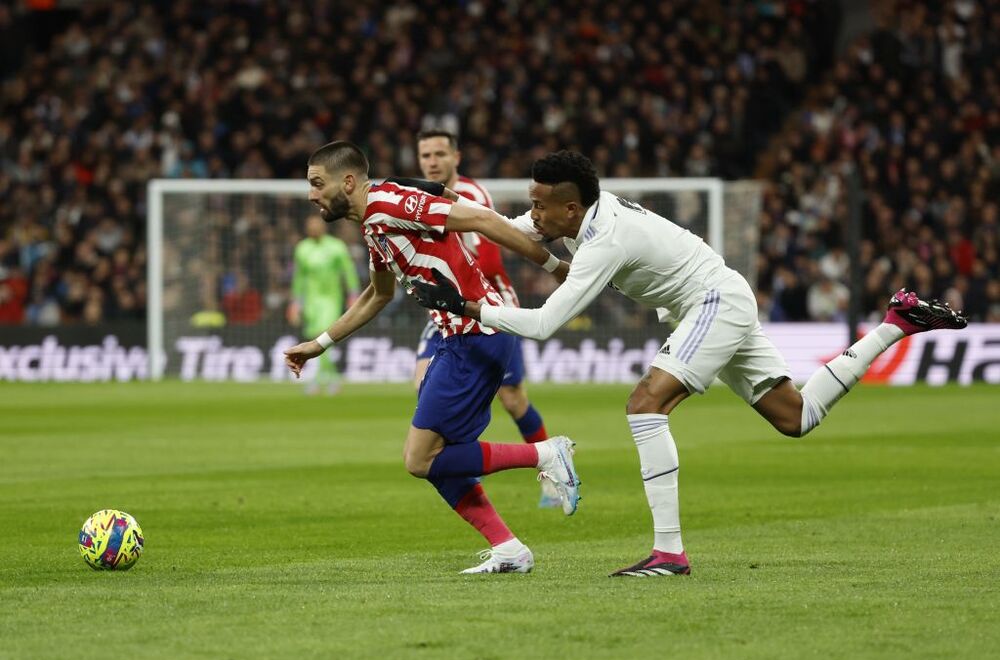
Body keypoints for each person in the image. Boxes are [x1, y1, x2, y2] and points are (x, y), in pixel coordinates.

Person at [412, 150, 968, 577]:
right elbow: (512, 226)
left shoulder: (605, 240)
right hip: (717, 298)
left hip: (711, 302)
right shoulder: (579, 215)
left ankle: (668, 553)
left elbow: (542, 323)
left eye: (539, 203)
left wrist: (469, 306)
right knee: (796, 417)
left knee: (644, 405)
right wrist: (439, 215)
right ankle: (897, 322)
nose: (531, 213)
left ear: (571, 207)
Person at [283, 140, 581, 574]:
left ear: (347, 181)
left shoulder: (388, 204)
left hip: (476, 334)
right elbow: (377, 294)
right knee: (440, 460)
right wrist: (319, 343)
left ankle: (546, 454)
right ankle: (509, 549)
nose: (311, 195)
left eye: (316, 183)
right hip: (456, 338)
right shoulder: (373, 224)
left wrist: (554, 267)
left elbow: (479, 218)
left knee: (419, 459)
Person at [414, 129, 560, 508]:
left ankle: (549, 473)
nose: (432, 161)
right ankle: (461, 463)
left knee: (512, 400)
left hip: (488, 309)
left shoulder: (472, 197)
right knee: (422, 384)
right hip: (445, 311)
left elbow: (491, 259)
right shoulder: (418, 200)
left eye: (439, 153)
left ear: (456, 157)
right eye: (425, 155)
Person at [288, 214, 360, 394]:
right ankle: (332, 377)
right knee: (315, 337)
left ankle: (318, 379)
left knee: (322, 336)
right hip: (311, 301)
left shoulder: (336, 247)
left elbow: (348, 271)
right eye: (309, 226)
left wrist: (353, 294)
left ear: (323, 227)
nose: (313, 229)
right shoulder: (302, 248)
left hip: (331, 299)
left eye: (315, 225)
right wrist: (295, 302)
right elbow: (299, 278)